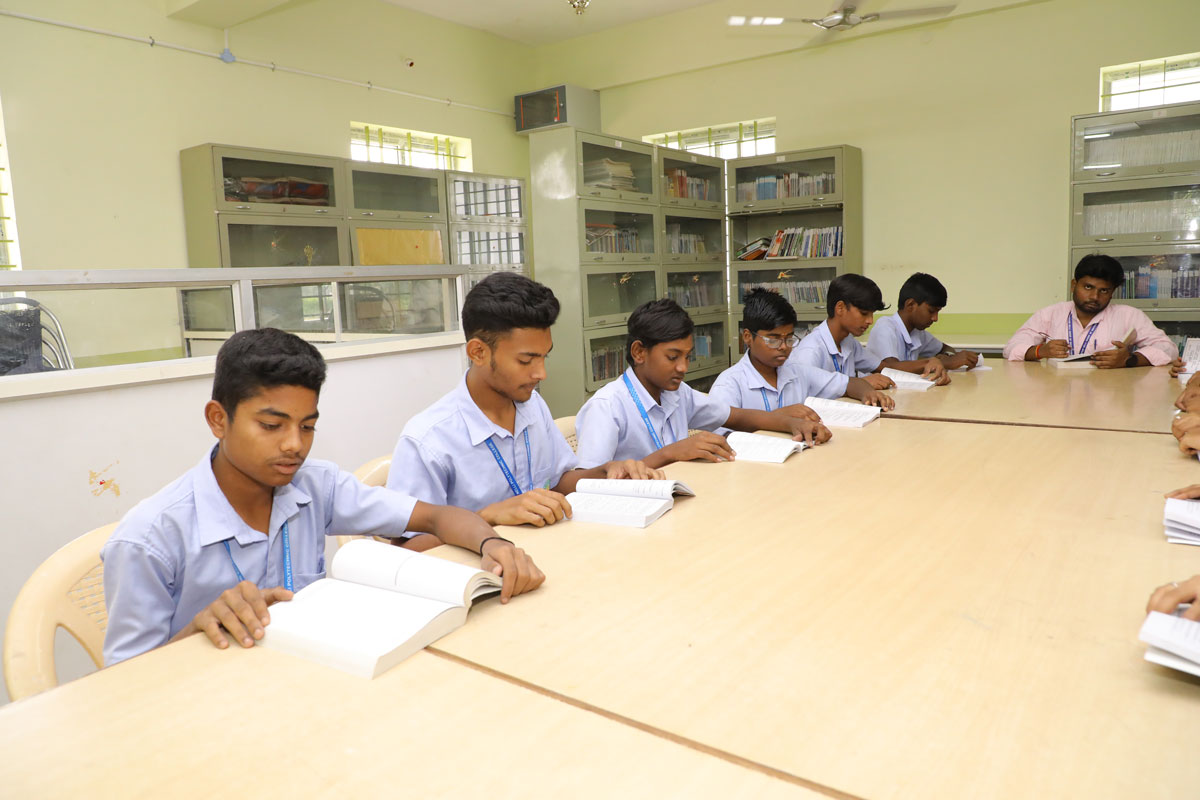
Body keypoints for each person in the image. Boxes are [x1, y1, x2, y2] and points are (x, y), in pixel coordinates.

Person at [101, 329, 544, 666]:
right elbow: (122, 686)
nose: (294, 444)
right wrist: (197, 630)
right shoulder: (150, 537)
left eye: (307, 426)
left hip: (316, 675)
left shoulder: (316, 486)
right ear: (219, 419)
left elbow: (437, 518)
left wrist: (495, 544)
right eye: (271, 426)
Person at [389, 273, 662, 528]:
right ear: (478, 352)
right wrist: (488, 517)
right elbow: (404, 548)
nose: (541, 373)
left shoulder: (532, 406)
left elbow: (559, 482)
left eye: (544, 357)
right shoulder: (429, 440)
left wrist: (608, 472)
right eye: (525, 360)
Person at [574, 298, 832, 469]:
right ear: (639, 352)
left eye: (687, 357)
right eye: (673, 357)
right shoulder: (607, 406)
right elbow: (584, 482)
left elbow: (737, 417)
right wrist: (669, 453)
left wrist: (791, 423)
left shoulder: (678, 393)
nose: (683, 368)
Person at [711, 288, 894, 412]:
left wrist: (868, 393)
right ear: (747, 337)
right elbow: (719, 439)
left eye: (789, 339)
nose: (784, 347)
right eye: (773, 340)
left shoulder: (797, 372)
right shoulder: (730, 384)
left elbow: (849, 384)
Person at [1002, 254, 1177, 366]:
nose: (1094, 296)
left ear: (1112, 292)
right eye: (1088, 287)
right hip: (1058, 392)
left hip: (1109, 393)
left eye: (1104, 290)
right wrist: (1040, 351)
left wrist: (1130, 360)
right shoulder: (1050, 314)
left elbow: (1168, 349)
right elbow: (1011, 348)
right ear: (1073, 285)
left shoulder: (1129, 315)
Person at [790, 274, 904, 387]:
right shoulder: (810, 351)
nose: (870, 321)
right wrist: (860, 383)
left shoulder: (848, 341)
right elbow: (804, 395)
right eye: (864, 313)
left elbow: (882, 367)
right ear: (840, 308)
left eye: (872, 314)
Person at [866, 272, 981, 372]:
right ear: (910, 305)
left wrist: (947, 357)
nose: (935, 318)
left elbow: (945, 348)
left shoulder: (917, 332)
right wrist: (944, 363)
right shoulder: (885, 327)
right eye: (931, 311)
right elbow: (890, 368)